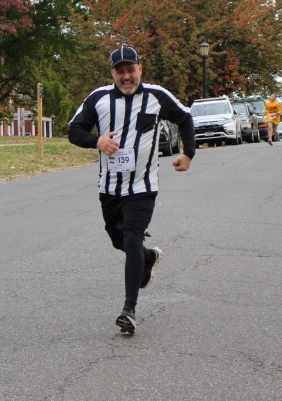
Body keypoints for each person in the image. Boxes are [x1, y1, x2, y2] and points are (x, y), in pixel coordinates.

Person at [68, 45, 195, 335]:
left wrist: (188, 153)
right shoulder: (98, 98)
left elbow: (185, 118)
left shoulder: (157, 96)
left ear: (140, 69)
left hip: (143, 186)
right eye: (120, 71)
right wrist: (97, 141)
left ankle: (129, 310)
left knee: (131, 237)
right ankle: (148, 257)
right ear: (112, 73)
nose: (126, 76)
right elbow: (74, 131)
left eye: (131, 70)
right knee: (120, 242)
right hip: (110, 188)